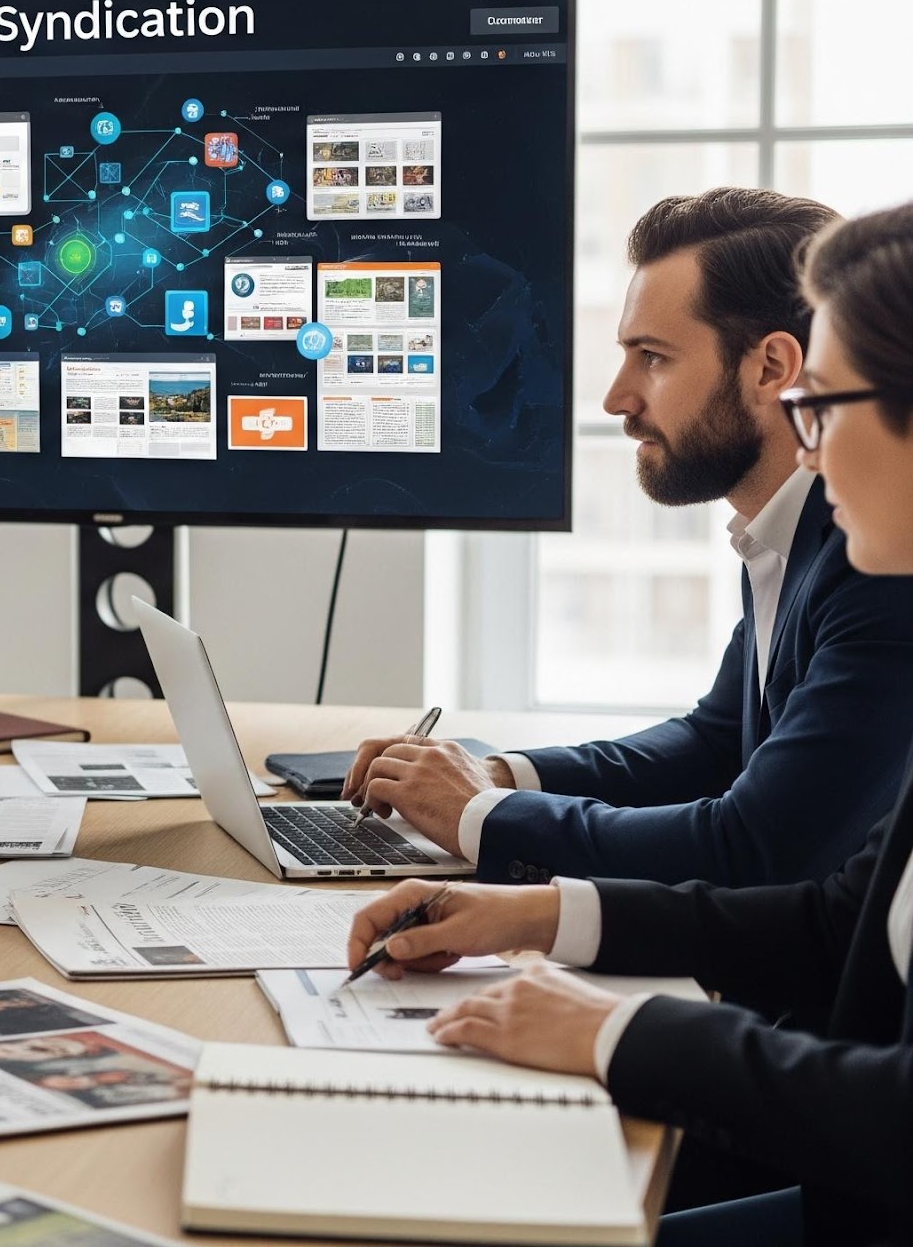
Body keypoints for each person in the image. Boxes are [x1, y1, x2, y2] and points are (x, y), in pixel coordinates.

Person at [343, 199, 913, 1246]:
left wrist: (618, 1029)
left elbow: (764, 852)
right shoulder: (837, 550)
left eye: (823, 405)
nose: (809, 449)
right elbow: (830, 912)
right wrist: (527, 910)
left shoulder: (877, 585)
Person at [348, 188, 913, 888]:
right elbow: (714, 742)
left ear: (771, 368)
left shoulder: (878, 558)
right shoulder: (784, 529)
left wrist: (482, 814)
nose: (616, 398)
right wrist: (499, 773)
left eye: (652, 357)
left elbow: (755, 846)